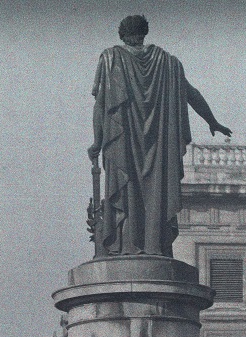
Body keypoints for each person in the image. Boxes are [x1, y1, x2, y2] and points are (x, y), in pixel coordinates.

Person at [89, 14, 232, 257]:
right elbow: (192, 94)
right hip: (158, 149)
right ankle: (155, 246)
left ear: (122, 34)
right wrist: (212, 121)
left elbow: (101, 105)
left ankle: (127, 247)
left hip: (124, 144)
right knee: (156, 194)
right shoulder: (169, 63)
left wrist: (97, 142)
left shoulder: (111, 58)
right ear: (144, 32)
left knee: (127, 190)